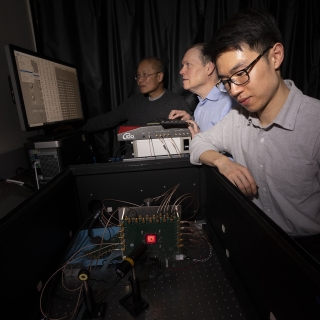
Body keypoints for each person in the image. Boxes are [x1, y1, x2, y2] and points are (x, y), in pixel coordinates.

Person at [190, 8, 320, 247]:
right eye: (227, 81)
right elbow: (198, 143)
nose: (235, 90)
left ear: (276, 56)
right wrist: (223, 162)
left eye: (241, 73)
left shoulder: (315, 123)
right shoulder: (238, 118)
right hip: (253, 237)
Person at [81, 57, 191, 132]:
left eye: (145, 75)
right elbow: (107, 120)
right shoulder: (132, 102)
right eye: (138, 75)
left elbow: (194, 130)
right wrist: (77, 128)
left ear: (159, 77)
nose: (140, 80)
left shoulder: (177, 103)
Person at [168, 43, 237, 137]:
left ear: (209, 68)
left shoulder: (229, 104)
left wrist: (199, 139)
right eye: (183, 65)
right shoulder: (202, 103)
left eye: (188, 64)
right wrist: (191, 121)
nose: (181, 71)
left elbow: (233, 150)